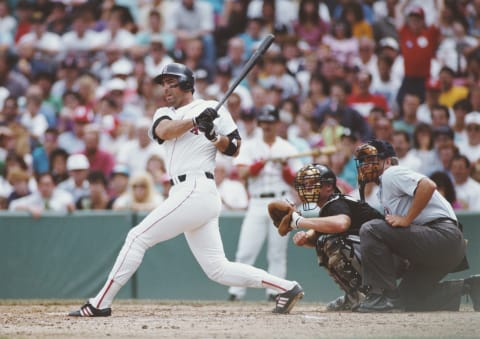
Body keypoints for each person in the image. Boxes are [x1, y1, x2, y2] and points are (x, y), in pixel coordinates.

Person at [68, 62, 304, 317]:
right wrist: (194, 120)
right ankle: (286, 287)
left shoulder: (213, 107)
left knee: (137, 238)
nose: (166, 89)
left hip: (197, 187)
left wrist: (213, 135)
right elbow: (164, 131)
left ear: (188, 85)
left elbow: (234, 147)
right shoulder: (164, 112)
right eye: (164, 84)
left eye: (172, 83)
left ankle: (100, 303)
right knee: (218, 269)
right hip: (185, 192)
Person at [353, 139, 478, 312]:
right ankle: (469, 286)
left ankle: (382, 296)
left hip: (442, 235)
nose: (366, 165)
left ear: (387, 161)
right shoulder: (383, 190)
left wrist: (406, 219)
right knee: (407, 301)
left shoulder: (391, 173)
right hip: (444, 246)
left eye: (371, 160)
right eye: (364, 161)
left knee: (370, 229)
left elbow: (428, 185)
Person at [227, 104, 302, 301]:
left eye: (270, 122)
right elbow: (242, 172)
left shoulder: (287, 148)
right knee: (246, 250)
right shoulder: (250, 146)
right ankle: (236, 292)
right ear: (259, 124)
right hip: (258, 202)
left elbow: (296, 181)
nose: (267, 126)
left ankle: (276, 292)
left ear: (277, 123)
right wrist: (264, 161)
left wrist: (285, 166)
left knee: (277, 252)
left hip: (281, 201)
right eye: (264, 122)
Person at [289, 163, 385, 311]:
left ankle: (369, 295)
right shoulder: (330, 207)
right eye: (306, 185)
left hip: (390, 255)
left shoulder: (336, 202)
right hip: (377, 255)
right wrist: (306, 239)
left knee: (333, 242)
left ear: (328, 187)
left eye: (313, 184)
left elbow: (341, 224)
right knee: (323, 242)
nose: (307, 188)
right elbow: (317, 238)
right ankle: (354, 295)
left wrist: (301, 222)